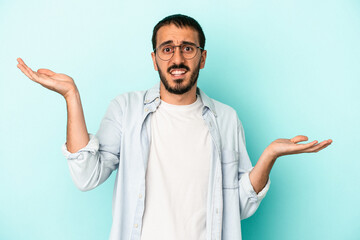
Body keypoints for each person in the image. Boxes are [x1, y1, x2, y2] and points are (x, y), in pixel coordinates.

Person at [17, 14, 332, 240]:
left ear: (202, 58)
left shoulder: (226, 118)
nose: (177, 58)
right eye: (167, 48)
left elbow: (238, 208)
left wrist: (269, 156)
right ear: (154, 59)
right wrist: (72, 96)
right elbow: (86, 176)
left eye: (188, 48)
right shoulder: (126, 109)